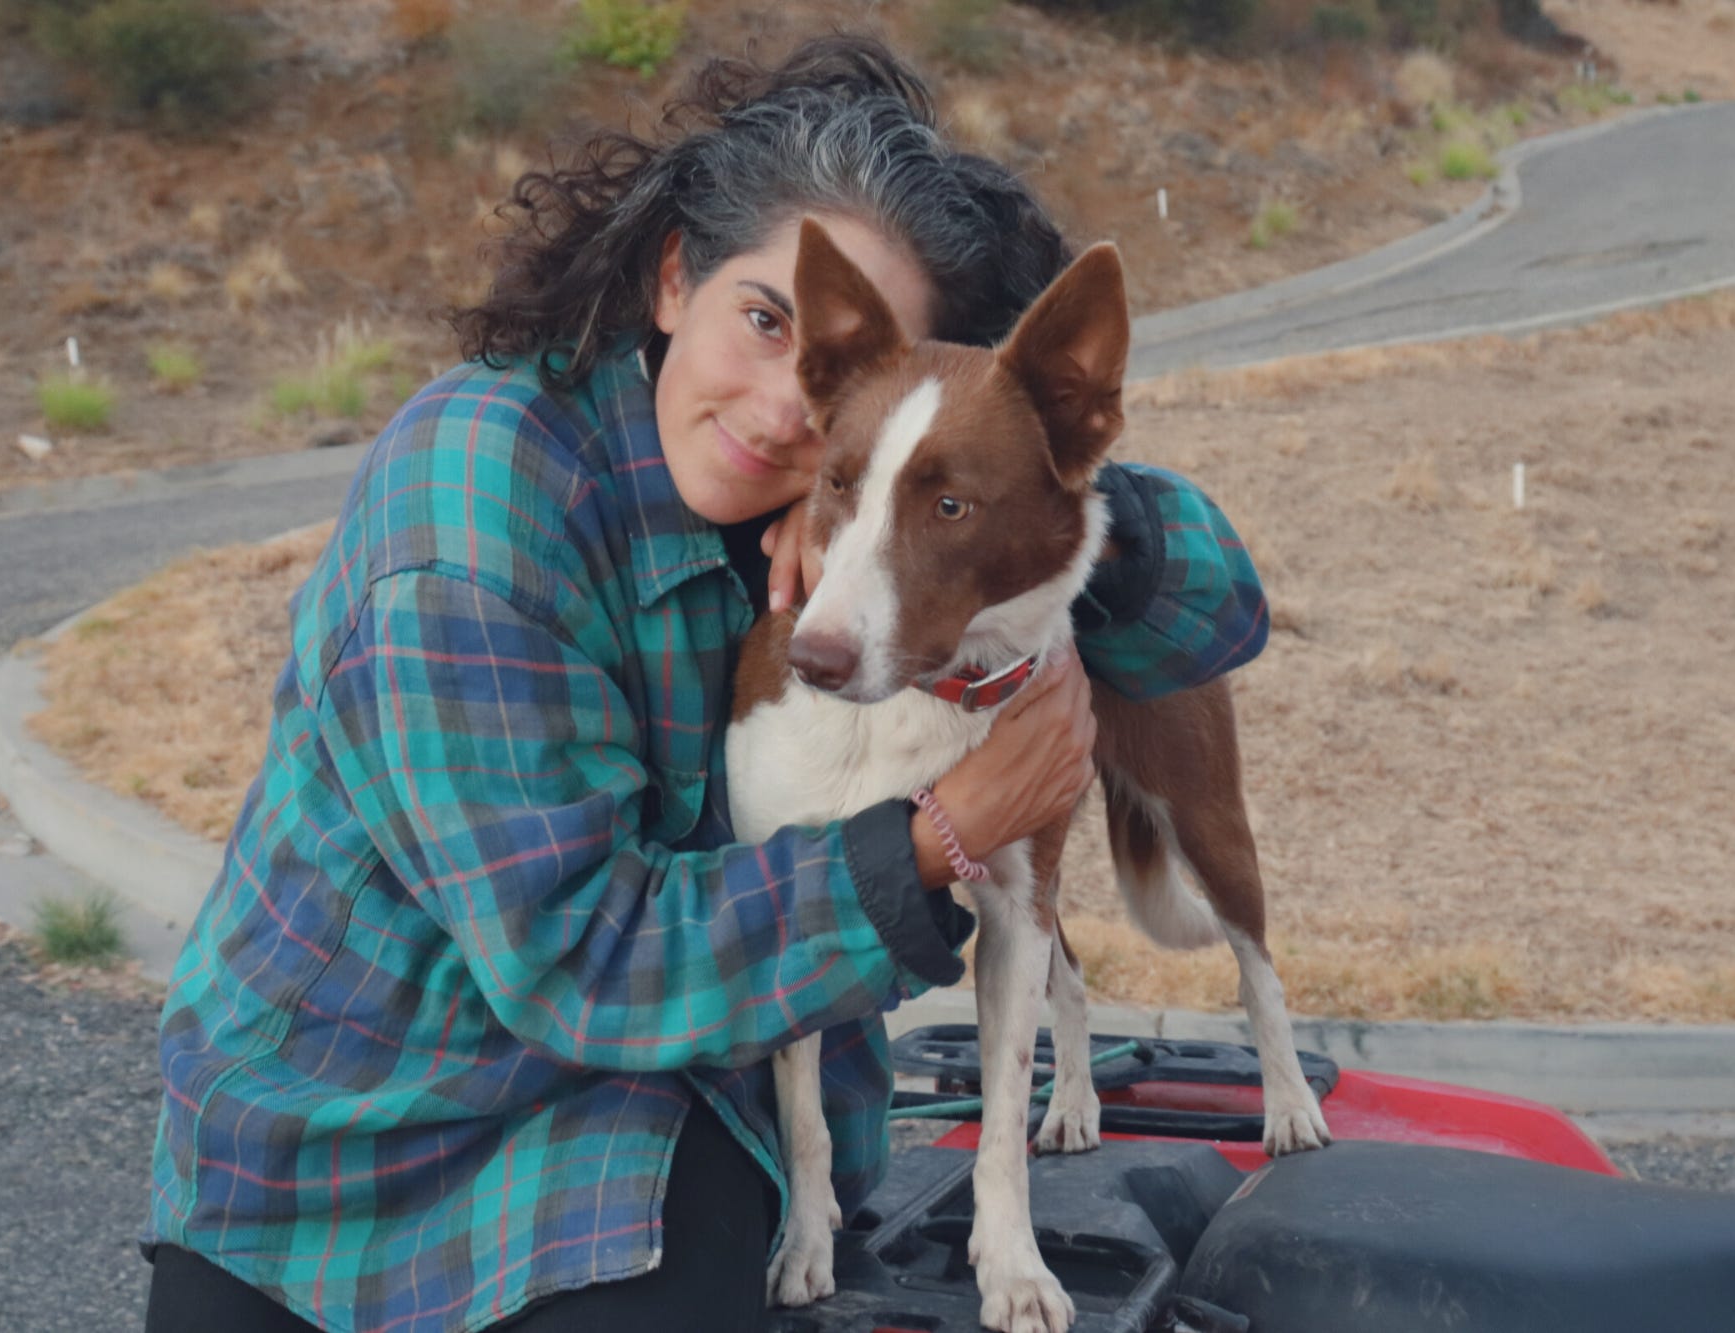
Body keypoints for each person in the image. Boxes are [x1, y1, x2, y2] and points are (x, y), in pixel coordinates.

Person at [141, 35, 1268, 1333]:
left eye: (846, 371)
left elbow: (1224, 613)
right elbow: (579, 962)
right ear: (673, 278)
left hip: (677, 1094)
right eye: (764, 321)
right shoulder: (473, 508)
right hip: (360, 1163)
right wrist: (941, 837)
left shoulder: (856, 509)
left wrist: (944, 505)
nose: (792, 408)